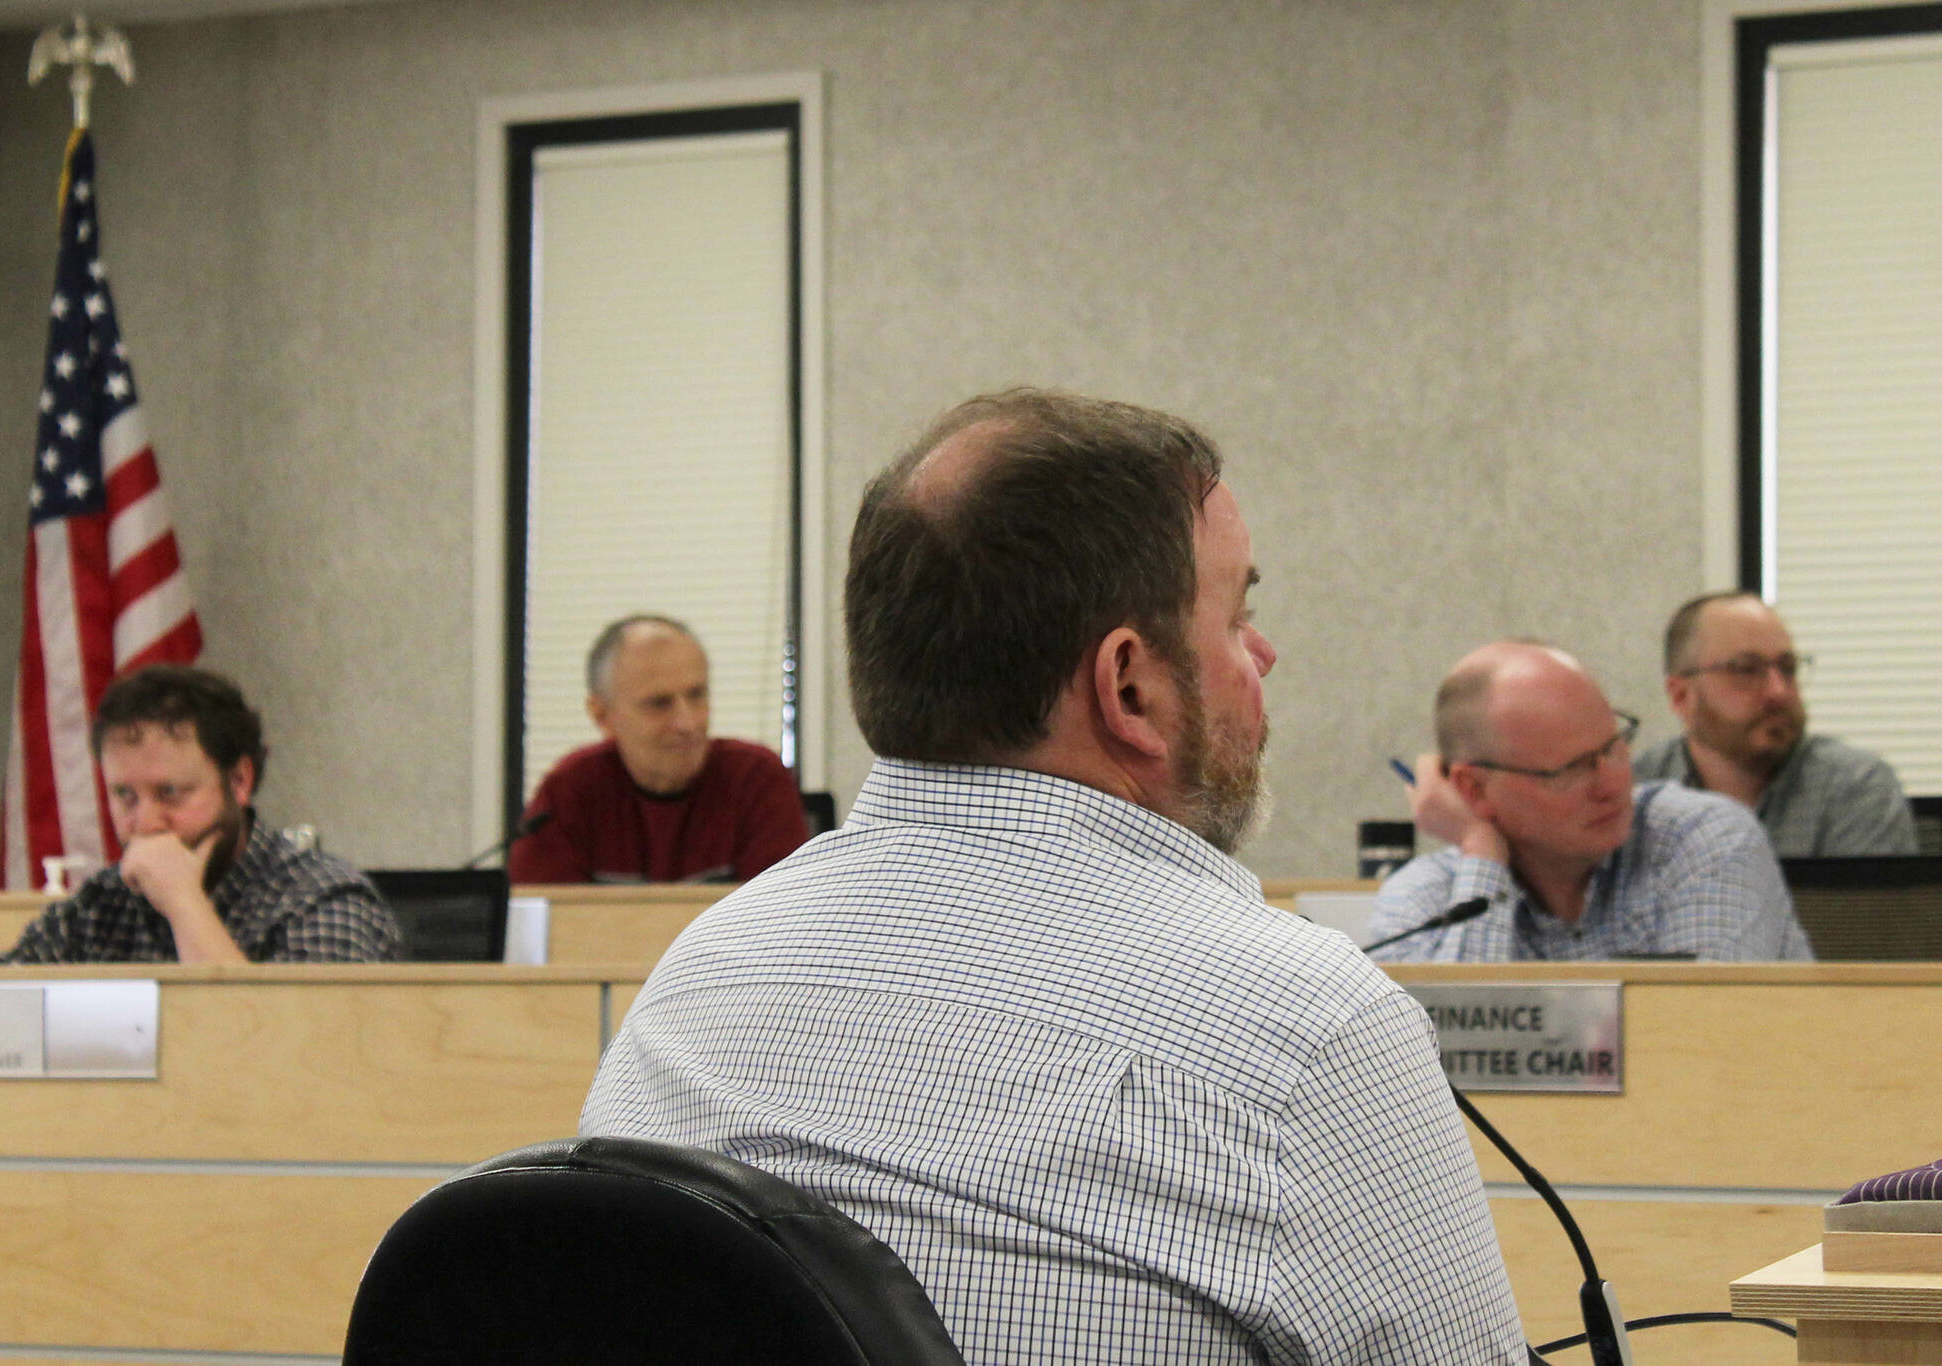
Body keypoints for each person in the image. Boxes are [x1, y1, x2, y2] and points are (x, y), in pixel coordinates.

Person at [582, 390, 1527, 1363]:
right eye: (1237, 614)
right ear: (1128, 686)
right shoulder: (1305, 1030)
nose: (1263, 653)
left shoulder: (688, 983)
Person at [1370, 640, 1811, 963]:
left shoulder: (1703, 838)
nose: (1612, 782)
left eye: (1613, 747)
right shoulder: (1421, 901)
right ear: (1474, 790)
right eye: (1573, 769)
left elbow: (1707, 1034)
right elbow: (1442, 1068)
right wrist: (1481, 850)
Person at [0, 665, 399, 964]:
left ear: (239, 780)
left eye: (170, 793)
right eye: (125, 796)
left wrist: (182, 901)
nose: (147, 824)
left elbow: (280, 1053)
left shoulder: (324, 901)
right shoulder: (101, 906)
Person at [507, 615, 810, 883]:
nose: (687, 722)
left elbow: (784, 922)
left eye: (697, 695)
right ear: (602, 714)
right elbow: (540, 922)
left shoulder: (755, 780)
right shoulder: (570, 791)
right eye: (659, 703)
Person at [1633, 591, 1916, 857]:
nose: (1778, 691)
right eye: (1746, 669)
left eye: (1787, 668)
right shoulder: (1635, 793)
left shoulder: (1854, 787)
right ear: (1682, 695)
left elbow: (1863, 910)